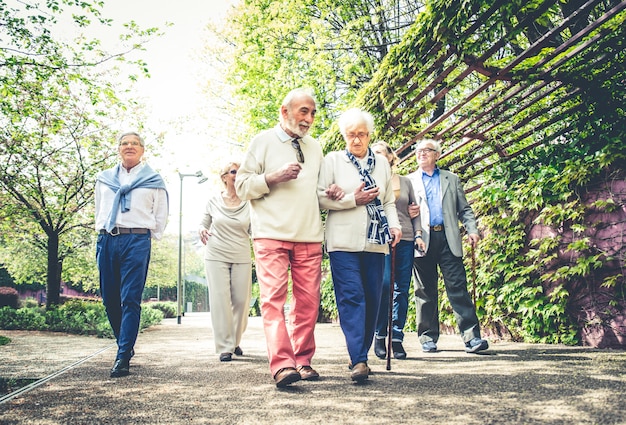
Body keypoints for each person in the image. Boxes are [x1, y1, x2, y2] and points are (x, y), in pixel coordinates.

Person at [235, 88, 329, 388]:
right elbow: (242, 186)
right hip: (271, 235)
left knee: (309, 304)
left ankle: (303, 361)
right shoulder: (262, 141)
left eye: (313, 112)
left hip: (309, 235)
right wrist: (272, 177)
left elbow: (317, 191)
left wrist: (334, 194)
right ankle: (282, 364)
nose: (309, 118)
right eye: (304, 111)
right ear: (284, 111)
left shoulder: (315, 148)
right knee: (273, 301)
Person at [318, 108, 402, 383]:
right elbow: (319, 198)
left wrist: (395, 225)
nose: (356, 140)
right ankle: (359, 359)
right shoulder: (332, 161)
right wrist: (351, 200)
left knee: (373, 300)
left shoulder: (382, 164)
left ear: (369, 136)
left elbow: (388, 201)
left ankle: (360, 353)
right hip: (342, 242)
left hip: (375, 242)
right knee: (352, 296)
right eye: (351, 135)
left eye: (361, 135)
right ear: (344, 136)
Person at [95, 132, 169, 377]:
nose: (129, 146)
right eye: (124, 143)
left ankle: (123, 355)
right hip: (108, 239)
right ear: (118, 149)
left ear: (142, 150)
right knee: (109, 299)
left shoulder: (153, 180)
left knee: (130, 299)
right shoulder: (104, 179)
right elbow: (100, 208)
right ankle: (123, 343)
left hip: (137, 240)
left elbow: (160, 214)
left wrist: (148, 237)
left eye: (134, 143)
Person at [407, 138, 488, 354]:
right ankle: (427, 338)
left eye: (427, 150)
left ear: (437, 155)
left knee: (457, 287)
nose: (421, 153)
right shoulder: (408, 181)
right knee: (424, 290)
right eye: (419, 151)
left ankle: (472, 338)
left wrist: (472, 229)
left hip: (447, 238)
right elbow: (400, 210)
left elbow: (465, 210)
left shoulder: (452, 179)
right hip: (422, 239)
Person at [370, 141, 425, 360]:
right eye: (373, 154)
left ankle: (397, 338)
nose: (377, 156)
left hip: (406, 237)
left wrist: (419, 234)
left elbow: (415, 210)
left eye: (381, 153)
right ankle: (380, 334)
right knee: (383, 286)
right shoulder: (368, 179)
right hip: (380, 238)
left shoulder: (405, 182)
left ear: (391, 157)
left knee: (401, 288)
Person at [199, 161, 251, 363]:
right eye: (234, 172)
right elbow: (203, 223)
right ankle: (224, 347)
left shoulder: (250, 201)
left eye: (241, 172)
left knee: (241, 301)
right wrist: (201, 229)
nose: (238, 175)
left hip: (241, 254)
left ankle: (234, 340)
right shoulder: (213, 201)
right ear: (224, 177)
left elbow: (256, 229)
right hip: (216, 254)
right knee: (220, 300)